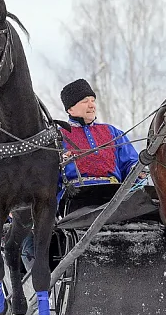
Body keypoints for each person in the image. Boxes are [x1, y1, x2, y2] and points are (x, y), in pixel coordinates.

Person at [20, 78, 147, 270]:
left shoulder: (112, 132)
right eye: (84, 101)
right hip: (74, 200)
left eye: (93, 100)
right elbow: (43, 176)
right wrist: (59, 163)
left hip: (114, 195)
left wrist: (136, 171)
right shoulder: (56, 136)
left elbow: (129, 161)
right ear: (70, 109)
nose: (91, 104)